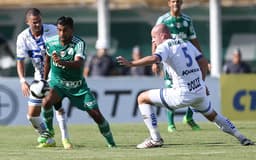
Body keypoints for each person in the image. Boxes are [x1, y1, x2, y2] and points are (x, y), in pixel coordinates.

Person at [116, 24, 254, 149]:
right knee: (213, 116)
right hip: (198, 92)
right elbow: (204, 62)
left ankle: (155, 139)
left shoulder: (165, 45)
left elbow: (155, 59)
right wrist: (202, 82)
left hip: (182, 94)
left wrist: (132, 64)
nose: (153, 41)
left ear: (163, 36)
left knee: (142, 98)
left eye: (154, 38)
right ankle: (241, 137)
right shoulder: (186, 43)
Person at [43, 16, 116, 148]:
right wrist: (44, 80)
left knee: (96, 115)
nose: (61, 34)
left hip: (78, 87)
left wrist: (61, 62)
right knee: (46, 102)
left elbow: (78, 64)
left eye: (65, 30)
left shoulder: (79, 43)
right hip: (58, 83)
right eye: (59, 30)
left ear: (72, 30)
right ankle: (49, 131)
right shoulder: (51, 42)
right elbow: (47, 61)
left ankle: (112, 144)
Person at [16, 8, 71, 149]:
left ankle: (66, 139)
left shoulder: (52, 30)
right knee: (31, 115)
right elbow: (20, 61)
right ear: (27, 22)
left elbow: (67, 41)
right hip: (39, 78)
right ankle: (48, 137)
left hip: (57, 74)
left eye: (39, 21)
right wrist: (22, 81)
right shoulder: (22, 38)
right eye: (34, 22)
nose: (37, 24)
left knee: (56, 105)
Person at [152, 0, 202, 132]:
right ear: (169, 3)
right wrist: (155, 61)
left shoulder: (187, 20)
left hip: (186, 59)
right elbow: (154, 40)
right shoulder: (163, 20)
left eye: (178, 1)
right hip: (170, 59)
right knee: (170, 88)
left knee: (195, 87)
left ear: (182, 3)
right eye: (173, 1)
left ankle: (189, 117)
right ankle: (171, 124)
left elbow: (193, 39)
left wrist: (202, 58)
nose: (176, 4)